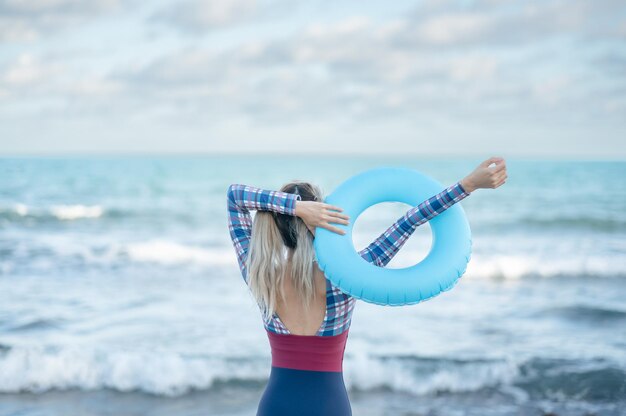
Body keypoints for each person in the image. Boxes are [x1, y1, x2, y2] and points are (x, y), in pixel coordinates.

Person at [226, 157, 507, 416]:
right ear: (320, 222)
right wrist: (468, 185)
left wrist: (296, 208)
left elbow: (235, 197)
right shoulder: (346, 279)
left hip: (277, 405)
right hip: (329, 406)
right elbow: (409, 221)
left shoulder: (261, 277)